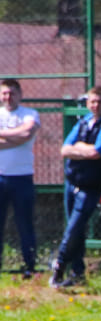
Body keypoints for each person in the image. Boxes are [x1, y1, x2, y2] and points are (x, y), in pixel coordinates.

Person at [51, 85, 101, 288]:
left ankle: (59, 266)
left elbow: (97, 152)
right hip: (72, 183)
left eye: (99, 101)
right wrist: (82, 149)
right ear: (87, 103)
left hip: (91, 186)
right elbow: (64, 149)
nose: (95, 105)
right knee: (75, 231)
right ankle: (77, 273)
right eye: (92, 101)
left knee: (75, 227)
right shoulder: (83, 123)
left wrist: (78, 148)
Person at [0, 78, 40, 278]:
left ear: (20, 94)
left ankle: (29, 266)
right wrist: (19, 138)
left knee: (25, 224)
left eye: (12, 93)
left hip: (22, 177)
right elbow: (23, 136)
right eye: (5, 93)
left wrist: (3, 135)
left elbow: (28, 132)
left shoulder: (30, 114)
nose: (8, 97)